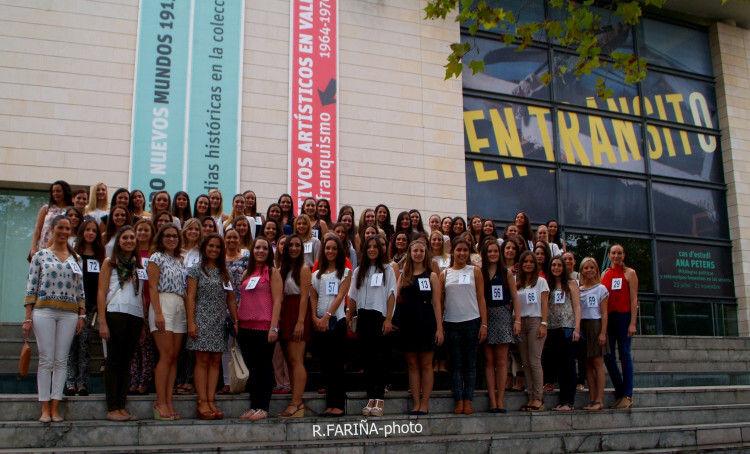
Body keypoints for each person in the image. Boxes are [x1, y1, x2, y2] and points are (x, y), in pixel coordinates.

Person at [24, 215, 86, 422]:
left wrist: (82, 314)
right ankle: (44, 407)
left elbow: (80, 289)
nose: (64, 231)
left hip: (69, 313)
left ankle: (56, 405)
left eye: (67, 228)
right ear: (52, 229)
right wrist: (27, 317)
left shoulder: (76, 258)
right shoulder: (40, 256)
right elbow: (31, 286)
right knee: (46, 359)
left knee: (61, 360)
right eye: (60, 227)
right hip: (44, 311)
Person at [186, 234, 239, 420]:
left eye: (218, 247)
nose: (214, 249)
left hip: (219, 321)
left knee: (215, 361)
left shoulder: (225, 272)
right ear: (204, 248)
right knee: (202, 361)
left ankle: (211, 400)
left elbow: (231, 298)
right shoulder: (196, 270)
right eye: (211, 246)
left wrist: (236, 320)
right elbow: (190, 297)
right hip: (201, 319)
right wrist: (191, 322)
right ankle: (202, 402)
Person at [97, 226, 146, 421]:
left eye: (131, 237)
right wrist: (102, 322)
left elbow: (141, 295)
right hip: (115, 312)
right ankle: (112, 408)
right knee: (114, 361)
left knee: (127, 363)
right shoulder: (110, 263)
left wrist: (143, 323)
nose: (128, 240)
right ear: (118, 241)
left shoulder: (139, 266)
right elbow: (101, 293)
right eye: (124, 237)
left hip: (134, 315)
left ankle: (122, 406)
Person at [347, 236, 397, 417]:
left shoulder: (387, 269)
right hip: (363, 317)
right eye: (369, 247)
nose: (372, 249)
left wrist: (389, 318)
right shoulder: (359, 270)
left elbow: (391, 293)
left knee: (379, 359)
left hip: (380, 316)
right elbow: (352, 295)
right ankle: (370, 398)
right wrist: (348, 315)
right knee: (367, 360)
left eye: (376, 247)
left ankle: (379, 398)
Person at [440, 237, 487, 415]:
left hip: (472, 321)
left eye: (465, 250)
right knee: (456, 364)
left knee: (470, 364)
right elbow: (441, 300)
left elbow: (481, 298)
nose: (461, 253)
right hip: (451, 322)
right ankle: (458, 400)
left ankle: (468, 400)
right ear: (452, 252)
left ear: (469, 252)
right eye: (458, 250)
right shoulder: (445, 274)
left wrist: (484, 324)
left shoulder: (475, 271)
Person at [237, 236, 283, 421]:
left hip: (265, 327)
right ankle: (254, 405)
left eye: (264, 248)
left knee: (264, 368)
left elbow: (278, 300)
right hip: (246, 327)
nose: (261, 251)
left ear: (269, 251)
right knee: (253, 369)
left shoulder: (272, 272)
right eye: (257, 248)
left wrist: (274, 327)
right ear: (252, 250)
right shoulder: (246, 273)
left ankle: (263, 407)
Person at [396, 240, 444, 415]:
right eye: (415, 250)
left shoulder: (431, 276)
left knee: (426, 364)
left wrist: (439, 328)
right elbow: (397, 299)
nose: (418, 254)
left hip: (426, 322)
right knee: (413, 365)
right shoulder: (404, 275)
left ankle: (425, 403)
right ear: (410, 253)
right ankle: (416, 403)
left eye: (421, 251)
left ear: (425, 254)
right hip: (408, 323)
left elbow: (437, 304)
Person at [147, 223, 186, 421]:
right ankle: (160, 401)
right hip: (163, 303)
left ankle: (168, 400)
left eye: (174, 236)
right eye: (167, 236)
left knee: (173, 357)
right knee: (165, 355)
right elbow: (152, 287)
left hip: (180, 307)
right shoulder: (156, 257)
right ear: (161, 238)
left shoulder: (180, 260)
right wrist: (158, 313)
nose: (171, 239)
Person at [312, 236, 351, 416]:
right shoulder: (316, 274)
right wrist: (315, 317)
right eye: (327, 248)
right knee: (326, 366)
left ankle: (339, 406)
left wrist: (327, 316)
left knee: (336, 365)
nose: (330, 251)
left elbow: (341, 295)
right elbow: (313, 296)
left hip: (336, 322)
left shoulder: (345, 273)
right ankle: (330, 404)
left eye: (334, 248)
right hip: (320, 323)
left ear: (339, 251)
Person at [65, 218, 104, 397]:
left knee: (85, 346)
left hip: (90, 308)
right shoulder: (72, 254)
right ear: (82, 232)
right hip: (71, 306)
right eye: (87, 230)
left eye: (94, 231)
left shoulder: (99, 257)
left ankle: (82, 384)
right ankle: (70, 383)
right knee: (70, 346)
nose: (90, 233)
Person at [480, 241, 520, 413]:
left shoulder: (506, 273)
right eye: (490, 251)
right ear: (485, 253)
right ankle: (492, 399)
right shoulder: (479, 272)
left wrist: (517, 320)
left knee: (502, 361)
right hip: (485, 316)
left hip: (503, 315)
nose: (493, 254)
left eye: (496, 251)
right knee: (489, 361)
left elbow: (515, 298)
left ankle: (501, 399)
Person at [277, 234, 312, 418]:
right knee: (290, 360)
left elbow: (305, 297)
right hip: (285, 313)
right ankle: (295, 399)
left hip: (297, 312)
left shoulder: (304, 269)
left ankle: (297, 402)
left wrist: (300, 322)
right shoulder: (282, 269)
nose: (294, 248)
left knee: (296, 360)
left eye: (298, 245)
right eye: (291, 245)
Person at [602, 244, 639, 409]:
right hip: (609, 318)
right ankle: (621, 391)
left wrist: (633, 323)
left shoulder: (629, 273)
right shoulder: (605, 274)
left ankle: (628, 394)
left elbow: (633, 299)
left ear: (623, 255)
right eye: (613, 253)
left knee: (624, 354)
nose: (616, 256)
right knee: (608, 356)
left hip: (624, 317)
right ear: (609, 255)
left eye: (619, 253)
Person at [516, 250, 549, 412]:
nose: (528, 264)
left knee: (535, 361)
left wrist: (544, 323)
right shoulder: (518, 282)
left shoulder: (541, 282)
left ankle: (539, 397)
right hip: (521, 323)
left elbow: (544, 304)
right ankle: (530, 396)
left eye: (531, 262)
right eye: (525, 262)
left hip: (536, 321)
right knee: (526, 363)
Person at [546, 256, 581, 411]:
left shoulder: (571, 283)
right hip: (552, 328)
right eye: (554, 265)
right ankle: (563, 400)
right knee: (559, 366)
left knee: (568, 366)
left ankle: (569, 401)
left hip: (567, 328)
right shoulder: (549, 284)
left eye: (559, 265)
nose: (556, 267)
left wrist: (577, 329)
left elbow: (577, 306)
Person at [218, 227, 248, 395]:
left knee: (239, 346)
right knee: (226, 347)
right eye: (228, 237)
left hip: (241, 304)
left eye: (234, 237)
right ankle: (228, 382)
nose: (231, 240)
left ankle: (242, 379)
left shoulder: (246, 260)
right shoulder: (218, 260)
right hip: (221, 305)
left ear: (239, 240)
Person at [128, 218, 156, 395]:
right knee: (133, 345)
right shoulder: (130, 254)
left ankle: (144, 380)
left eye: (146, 230)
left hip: (149, 303)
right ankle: (134, 378)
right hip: (132, 303)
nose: (143, 233)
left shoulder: (154, 254)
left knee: (146, 345)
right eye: (140, 230)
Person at [578, 257, 610, 411]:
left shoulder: (601, 289)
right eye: (586, 268)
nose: (589, 270)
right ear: (582, 271)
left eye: (592, 267)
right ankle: (592, 398)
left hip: (596, 325)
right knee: (587, 365)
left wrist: (603, 333)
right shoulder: (579, 289)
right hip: (583, 325)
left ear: (596, 269)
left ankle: (599, 399)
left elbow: (604, 313)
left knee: (598, 364)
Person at [31, 181, 73, 256]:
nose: (55, 193)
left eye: (58, 191)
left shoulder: (71, 210)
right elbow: (38, 228)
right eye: (53, 191)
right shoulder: (46, 208)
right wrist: (33, 247)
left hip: (61, 247)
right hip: (43, 246)